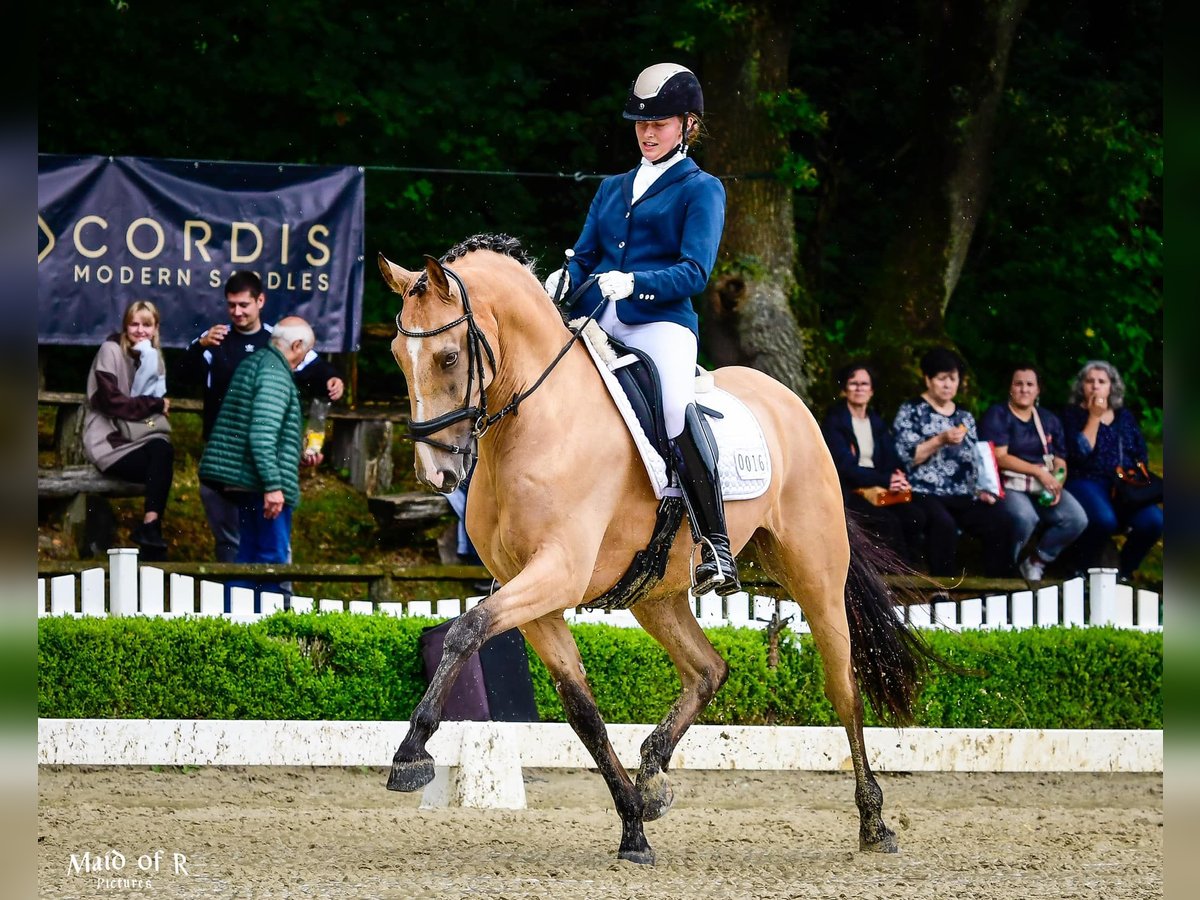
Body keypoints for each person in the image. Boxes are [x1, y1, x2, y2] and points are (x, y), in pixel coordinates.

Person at [543, 62, 738, 595]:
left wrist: (635, 283)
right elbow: (584, 256)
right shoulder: (612, 188)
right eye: (641, 123)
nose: (648, 133)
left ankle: (716, 545)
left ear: (688, 126)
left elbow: (695, 271)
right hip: (597, 315)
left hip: (660, 321)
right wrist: (566, 276)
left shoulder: (702, 189)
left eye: (661, 123)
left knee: (673, 406)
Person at [179, 270, 343, 562]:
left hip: (263, 461)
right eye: (231, 305)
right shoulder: (217, 341)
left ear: (260, 301)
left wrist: (333, 379)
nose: (238, 312)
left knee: (256, 547)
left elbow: (316, 370)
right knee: (247, 548)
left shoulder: (277, 340)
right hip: (229, 457)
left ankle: (245, 600)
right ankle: (249, 601)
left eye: (244, 305)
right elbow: (180, 377)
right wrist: (199, 345)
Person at [198, 317, 317, 609]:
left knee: (247, 558)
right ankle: (272, 634)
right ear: (297, 345)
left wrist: (295, 452)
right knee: (271, 560)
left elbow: (261, 429)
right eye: (304, 352)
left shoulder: (258, 362)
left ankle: (233, 624)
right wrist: (274, 486)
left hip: (248, 481)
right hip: (262, 485)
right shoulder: (276, 372)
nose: (302, 361)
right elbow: (261, 434)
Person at [892, 347, 1011, 577]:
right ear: (927, 379)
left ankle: (998, 589)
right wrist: (940, 440)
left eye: (953, 379)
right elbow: (907, 457)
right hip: (924, 491)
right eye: (941, 378)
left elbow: (976, 457)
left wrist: (983, 490)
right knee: (943, 524)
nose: (947, 385)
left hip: (964, 493)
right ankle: (943, 588)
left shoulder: (964, 415)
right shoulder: (912, 410)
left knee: (1001, 520)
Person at [81, 300, 175, 557]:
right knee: (160, 464)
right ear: (125, 326)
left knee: (163, 451)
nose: (140, 330)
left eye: (147, 325)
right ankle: (151, 543)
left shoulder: (154, 358)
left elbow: (151, 407)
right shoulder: (110, 350)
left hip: (139, 436)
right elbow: (111, 402)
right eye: (134, 324)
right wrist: (155, 404)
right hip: (109, 440)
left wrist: (154, 405)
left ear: (156, 328)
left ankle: (151, 528)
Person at [979, 365, 1088, 581]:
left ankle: (1036, 562)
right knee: (1024, 517)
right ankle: (1005, 569)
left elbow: (1060, 459)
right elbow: (1000, 457)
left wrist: (1057, 480)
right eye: (1018, 384)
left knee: (1076, 518)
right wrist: (1039, 473)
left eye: (1030, 384)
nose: (1024, 389)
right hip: (1009, 483)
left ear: (1038, 390)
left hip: (1043, 485)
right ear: (1010, 388)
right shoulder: (998, 414)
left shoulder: (1049, 419)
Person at [1061, 360, 1163, 581]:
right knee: (1104, 520)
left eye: (1101, 381)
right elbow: (1080, 452)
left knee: (1154, 521)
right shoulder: (1072, 414)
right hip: (1086, 480)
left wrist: (1131, 479)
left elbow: (1140, 453)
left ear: (1111, 387)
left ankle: (1122, 572)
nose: (1095, 386)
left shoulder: (1124, 416)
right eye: (1090, 381)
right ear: (1081, 386)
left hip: (1122, 484)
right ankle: (1081, 569)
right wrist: (1094, 417)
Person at [820, 362, 924, 568]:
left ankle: (916, 572)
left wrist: (898, 477)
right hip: (849, 491)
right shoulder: (835, 422)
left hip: (880, 489)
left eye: (864, 384)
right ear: (844, 389)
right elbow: (844, 467)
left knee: (916, 516)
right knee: (887, 522)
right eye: (853, 383)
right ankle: (895, 575)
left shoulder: (877, 423)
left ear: (872, 390)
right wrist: (885, 479)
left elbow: (892, 459)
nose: (859, 388)